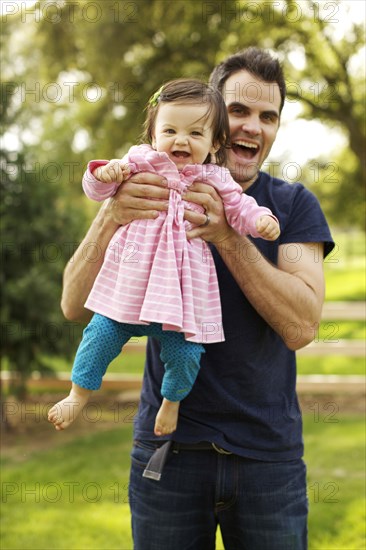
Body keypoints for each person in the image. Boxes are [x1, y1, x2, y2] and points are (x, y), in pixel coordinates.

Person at [58, 48, 334, 549]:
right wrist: (111, 216)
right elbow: (73, 305)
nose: (252, 126)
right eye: (239, 111)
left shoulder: (293, 206)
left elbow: (301, 327)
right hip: (167, 455)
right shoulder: (144, 187)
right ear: (212, 117)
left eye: (268, 115)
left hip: (266, 462)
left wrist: (229, 236)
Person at [48, 78, 280, 437]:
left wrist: (261, 220)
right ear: (153, 135)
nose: (180, 140)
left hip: (177, 302)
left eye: (195, 133)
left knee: (187, 356)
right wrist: (103, 173)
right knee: (99, 335)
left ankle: (171, 402)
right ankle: (78, 394)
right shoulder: (140, 162)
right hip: (128, 291)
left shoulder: (215, 178)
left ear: (215, 142)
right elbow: (99, 189)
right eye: (169, 130)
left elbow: (239, 207)